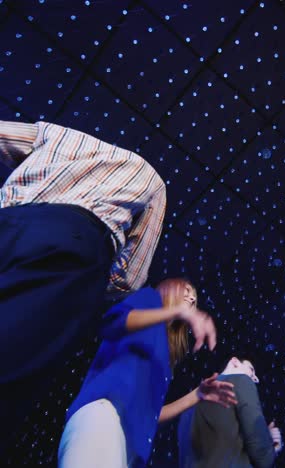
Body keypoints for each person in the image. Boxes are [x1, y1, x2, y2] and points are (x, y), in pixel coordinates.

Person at [0, 120, 166, 432]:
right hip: (74, 241)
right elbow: (131, 275)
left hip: (8, 218)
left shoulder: (57, 133)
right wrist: (89, 282)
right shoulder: (151, 178)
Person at [58, 277, 236, 468]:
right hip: (103, 420)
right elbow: (112, 322)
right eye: (186, 290)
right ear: (169, 288)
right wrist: (174, 311)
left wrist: (197, 395)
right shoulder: (150, 298)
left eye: (194, 298)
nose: (192, 299)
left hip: (128, 445)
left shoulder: (163, 359)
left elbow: (150, 414)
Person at [178, 355, 283, 468]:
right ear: (234, 362)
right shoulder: (241, 380)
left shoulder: (190, 401)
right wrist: (271, 447)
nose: (256, 378)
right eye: (251, 369)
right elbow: (262, 457)